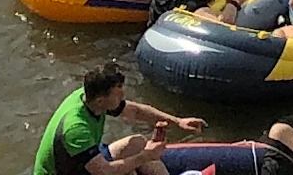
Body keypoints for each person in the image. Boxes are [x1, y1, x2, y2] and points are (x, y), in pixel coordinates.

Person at [35, 60, 206, 175]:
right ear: (101, 100)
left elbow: (136, 111)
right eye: (118, 95)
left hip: (84, 163)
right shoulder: (76, 129)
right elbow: (103, 171)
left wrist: (178, 122)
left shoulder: (89, 97)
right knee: (130, 166)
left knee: (137, 143)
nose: (123, 97)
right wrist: (146, 156)